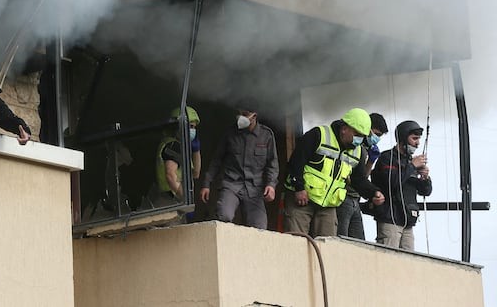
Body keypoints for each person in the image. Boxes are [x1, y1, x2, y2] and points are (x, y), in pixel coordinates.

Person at [283, 108, 385, 237]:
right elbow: (296, 162)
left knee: (327, 246)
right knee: (296, 241)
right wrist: (299, 188)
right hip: (303, 200)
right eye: (356, 134)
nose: (359, 139)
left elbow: (358, 179)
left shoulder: (357, 151)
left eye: (362, 136)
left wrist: (373, 192)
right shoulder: (319, 135)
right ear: (344, 128)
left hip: (328, 206)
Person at [198, 99, 278, 229]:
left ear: (254, 116)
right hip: (231, 184)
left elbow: (272, 164)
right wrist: (206, 184)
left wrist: (271, 185)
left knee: (259, 227)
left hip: (254, 189)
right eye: (239, 113)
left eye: (245, 114)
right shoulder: (230, 134)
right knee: (223, 216)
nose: (240, 117)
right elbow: (216, 160)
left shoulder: (266, 135)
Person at [371, 120, 432, 250]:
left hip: (408, 222)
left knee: (409, 262)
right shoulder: (387, 157)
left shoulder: (411, 161)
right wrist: (411, 167)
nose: (417, 143)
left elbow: (425, 191)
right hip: (390, 220)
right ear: (403, 138)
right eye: (414, 138)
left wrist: (425, 177)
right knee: (387, 259)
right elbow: (391, 182)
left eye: (418, 139)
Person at [337, 112, 389, 239]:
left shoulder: (367, 149)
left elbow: (362, 177)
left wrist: (371, 162)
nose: (376, 138)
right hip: (343, 197)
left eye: (379, 136)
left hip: (356, 198)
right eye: (375, 134)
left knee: (358, 241)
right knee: (341, 237)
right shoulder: (352, 146)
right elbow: (351, 177)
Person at [153, 106, 202, 206]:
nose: (193, 131)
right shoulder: (173, 146)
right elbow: (170, 175)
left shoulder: (179, 146)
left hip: (174, 201)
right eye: (190, 127)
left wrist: (196, 151)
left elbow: (195, 174)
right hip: (170, 201)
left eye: (194, 128)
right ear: (179, 126)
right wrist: (185, 199)